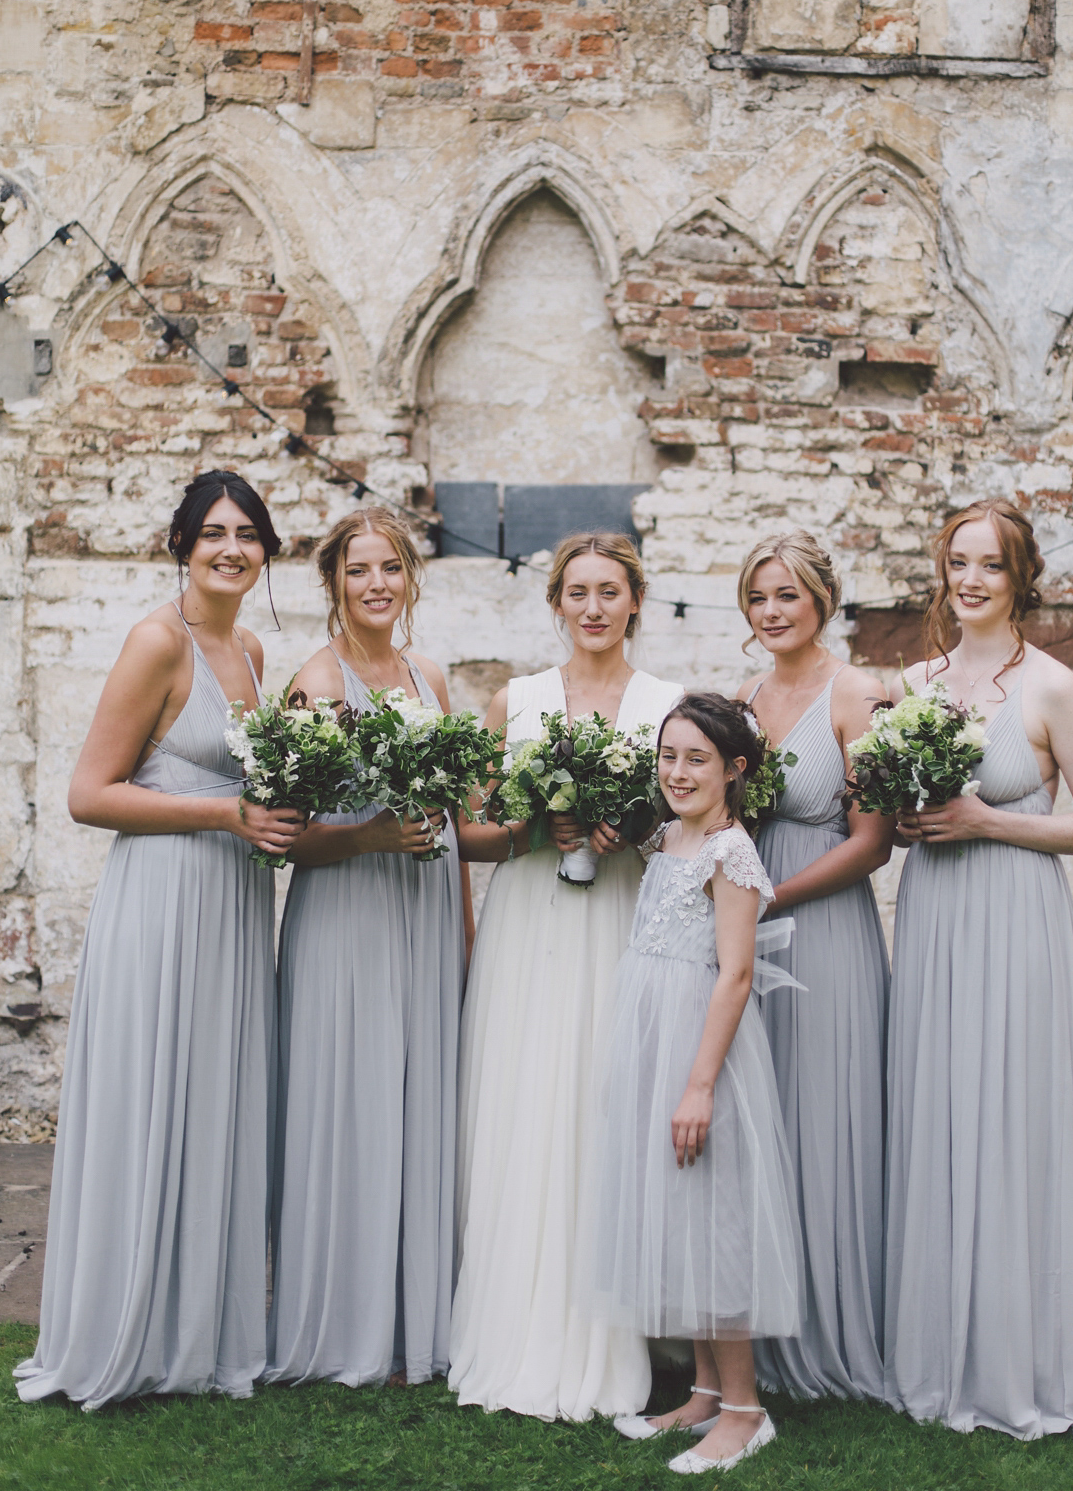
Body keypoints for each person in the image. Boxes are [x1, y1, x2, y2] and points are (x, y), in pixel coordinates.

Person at [15, 470, 304, 1407]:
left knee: (214, 1103)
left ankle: (199, 1332)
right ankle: (120, 1330)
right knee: (152, 1100)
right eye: (213, 532)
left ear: (265, 551)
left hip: (229, 905)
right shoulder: (157, 642)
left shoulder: (252, 650)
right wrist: (228, 813)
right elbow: (88, 794)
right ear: (181, 545)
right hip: (162, 899)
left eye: (248, 534)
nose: (231, 548)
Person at [884, 497, 1073, 1438]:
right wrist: (912, 818)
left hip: (1019, 916)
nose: (973, 580)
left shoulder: (1054, 688)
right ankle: (939, 1353)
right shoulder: (915, 683)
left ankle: (1030, 1361)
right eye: (959, 562)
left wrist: (993, 821)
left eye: (991, 564)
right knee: (941, 1116)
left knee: (1015, 1122)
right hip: (939, 912)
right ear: (943, 573)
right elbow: (910, 811)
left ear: (1021, 577)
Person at [449, 532, 683, 1421]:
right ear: (555, 605)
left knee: (605, 1106)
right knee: (530, 1102)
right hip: (531, 924)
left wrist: (638, 831)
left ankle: (615, 1331)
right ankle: (521, 1325)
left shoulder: (666, 704)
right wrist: (535, 829)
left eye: (609, 592)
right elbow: (465, 832)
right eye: (577, 592)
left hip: (622, 919)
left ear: (634, 602)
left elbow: (689, 822)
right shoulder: (517, 701)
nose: (593, 607)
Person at [266, 509, 468, 1389]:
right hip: (347, 911)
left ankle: (416, 1322)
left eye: (390, 568)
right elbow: (282, 837)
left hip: (423, 912)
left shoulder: (429, 675)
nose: (376, 584)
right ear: (333, 585)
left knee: (418, 1104)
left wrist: (461, 923)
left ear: (410, 578)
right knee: (349, 1103)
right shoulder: (316, 681)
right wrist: (370, 838)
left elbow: (457, 814)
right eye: (359, 572)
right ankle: (344, 1326)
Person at [598, 693, 801, 1474]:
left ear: (735, 770)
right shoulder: (671, 838)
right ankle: (706, 1392)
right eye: (668, 756)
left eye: (696, 759)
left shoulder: (730, 853)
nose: (677, 772)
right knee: (684, 1215)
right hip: (656, 1041)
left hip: (701, 1053)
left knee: (717, 1225)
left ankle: (747, 1412)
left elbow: (737, 974)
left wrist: (699, 1086)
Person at [734, 531, 894, 1402]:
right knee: (768, 1121)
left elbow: (874, 843)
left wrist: (772, 898)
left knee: (824, 1117)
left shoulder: (859, 694)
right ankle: (762, 1335)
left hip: (823, 924)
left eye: (787, 596)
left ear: (821, 600)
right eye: (759, 598)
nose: (772, 612)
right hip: (752, 930)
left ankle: (833, 1332)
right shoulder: (744, 696)